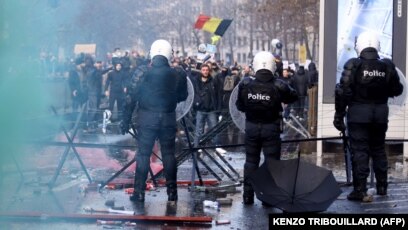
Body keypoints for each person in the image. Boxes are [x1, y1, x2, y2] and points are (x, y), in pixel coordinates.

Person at [333, 31, 403, 201]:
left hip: (358, 114)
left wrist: (339, 115)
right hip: (380, 113)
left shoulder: (353, 64)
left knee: (360, 150)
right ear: (377, 46)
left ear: (359, 47)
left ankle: (360, 189)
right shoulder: (387, 65)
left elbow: (343, 92)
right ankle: (382, 187)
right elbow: (397, 89)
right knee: (379, 149)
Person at [121, 39, 188, 203]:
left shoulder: (143, 71)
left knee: (143, 154)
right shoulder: (178, 73)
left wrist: (125, 119)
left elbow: (131, 97)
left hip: (147, 118)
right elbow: (183, 96)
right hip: (167, 118)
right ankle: (172, 194)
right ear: (168, 54)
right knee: (169, 155)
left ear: (152, 53)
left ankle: (138, 193)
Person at [236, 51, 298, 204]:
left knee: (251, 161)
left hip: (251, 127)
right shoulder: (278, 85)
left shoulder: (245, 83)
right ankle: (267, 197)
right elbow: (293, 96)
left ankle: (248, 195)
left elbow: (240, 106)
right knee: (271, 162)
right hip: (271, 128)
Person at [191, 63, 221, 147]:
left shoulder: (213, 81)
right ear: (201, 71)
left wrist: (217, 107)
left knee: (215, 129)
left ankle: (216, 147)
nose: (205, 72)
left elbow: (217, 94)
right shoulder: (196, 81)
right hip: (200, 109)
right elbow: (194, 94)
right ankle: (196, 147)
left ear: (209, 71)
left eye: (207, 70)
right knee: (198, 130)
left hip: (211, 109)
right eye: (204, 70)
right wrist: (196, 104)